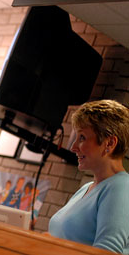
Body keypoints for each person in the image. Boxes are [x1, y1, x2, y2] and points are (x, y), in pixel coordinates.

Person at [48, 99, 129, 254]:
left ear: (109, 143)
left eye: (82, 138)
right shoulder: (86, 188)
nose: (73, 147)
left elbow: (107, 251)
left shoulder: (122, 188)